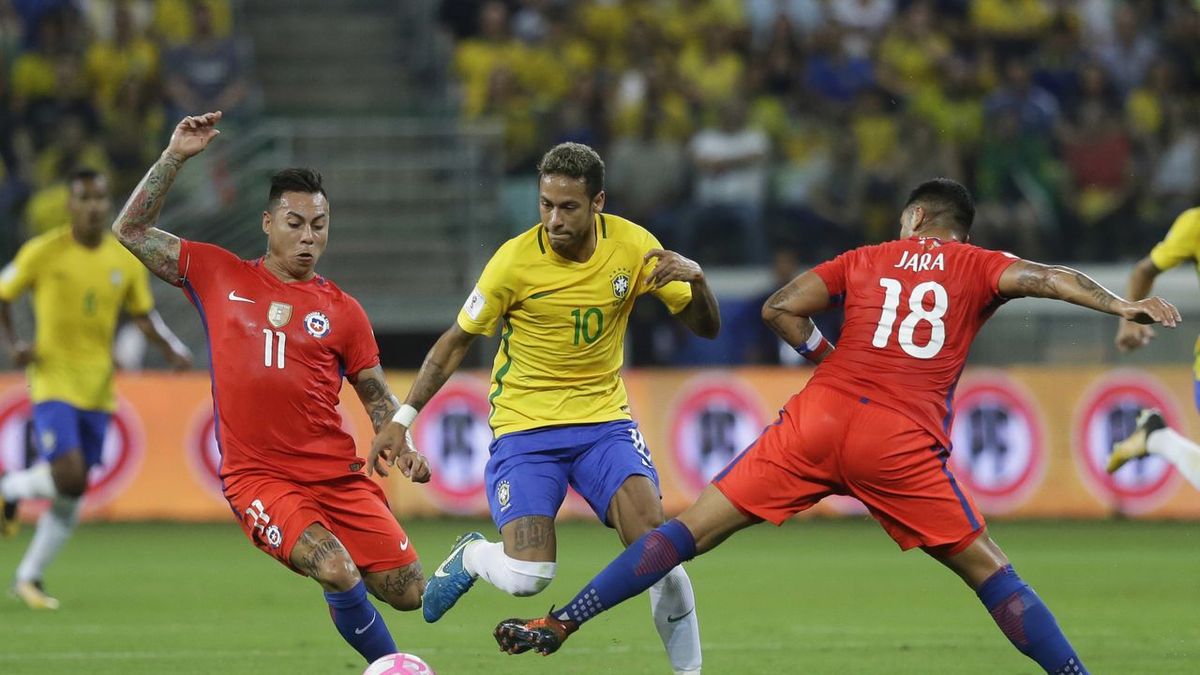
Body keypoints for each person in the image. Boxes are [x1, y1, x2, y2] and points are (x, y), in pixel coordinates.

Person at [492, 178, 1182, 674]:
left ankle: (562, 618)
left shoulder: (869, 256)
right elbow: (1046, 277)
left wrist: (826, 359)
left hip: (818, 417)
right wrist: (1123, 302)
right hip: (899, 440)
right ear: (958, 232)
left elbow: (779, 308)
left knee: (683, 533)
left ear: (913, 217)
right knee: (990, 572)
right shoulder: (978, 264)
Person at [369, 142, 720, 675]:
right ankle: (472, 556)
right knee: (528, 578)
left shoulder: (634, 248)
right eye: (545, 204)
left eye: (568, 207)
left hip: (604, 424)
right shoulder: (513, 261)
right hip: (526, 429)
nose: (553, 219)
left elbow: (705, 328)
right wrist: (402, 418)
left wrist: (696, 277)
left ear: (597, 202)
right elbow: (454, 341)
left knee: (660, 553)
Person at [109, 111, 430, 664]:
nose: (309, 236)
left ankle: (456, 571)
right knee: (335, 567)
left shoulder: (344, 312)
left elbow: (376, 395)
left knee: (407, 591)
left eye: (319, 224)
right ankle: (392, 666)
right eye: (295, 222)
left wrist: (402, 439)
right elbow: (130, 230)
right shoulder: (216, 273)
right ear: (266, 222)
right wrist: (175, 157)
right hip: (258, 476)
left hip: (334, 472)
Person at [0, 168, 192, 610]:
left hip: (100, 388)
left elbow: (143, 315)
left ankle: (28, 577)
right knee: (68, 475)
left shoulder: (121, 259)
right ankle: (9, 490)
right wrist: (15, 346)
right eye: (84, 198)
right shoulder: (42, 252)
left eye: (100, 198)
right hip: (52, 379)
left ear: (108, 203)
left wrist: (173, 350)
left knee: (73, 491)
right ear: (70, 204)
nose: (93, 206)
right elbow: (5, 294)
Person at [1109, 206, 1200, 489]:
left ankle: (1158, 439)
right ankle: (1159, 439)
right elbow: (1143, 271)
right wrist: (1129, 320)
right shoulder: (1195, 224)